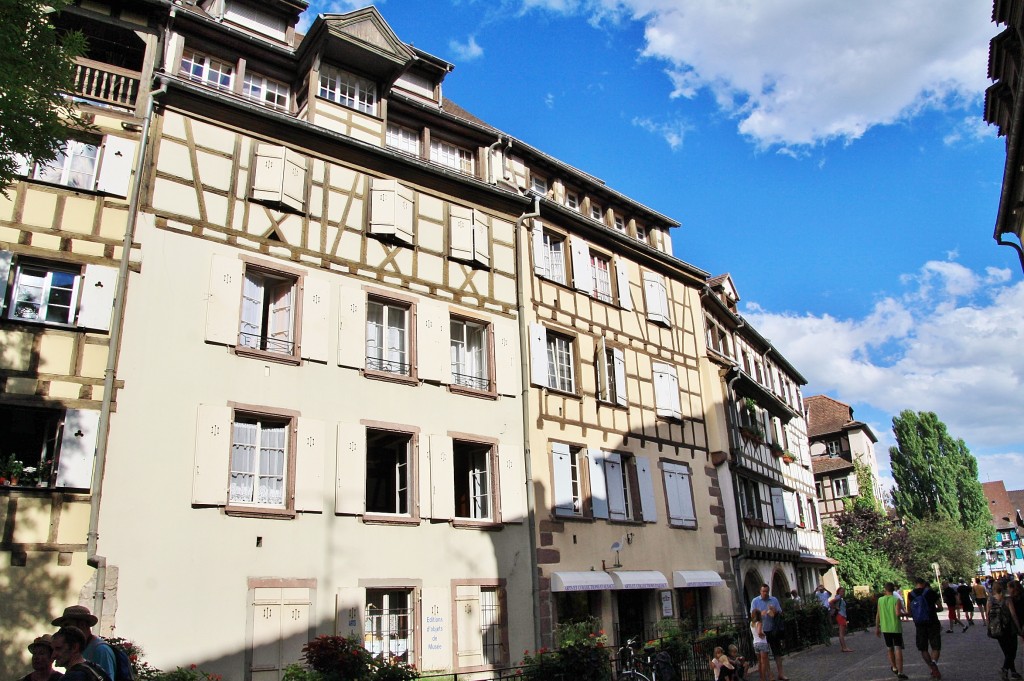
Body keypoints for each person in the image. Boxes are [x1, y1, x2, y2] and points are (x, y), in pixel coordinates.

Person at [50, 606, 115, 681]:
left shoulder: (101, 649)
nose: (62, 631)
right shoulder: (95, 668)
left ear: (82, 624)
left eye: (67, 625)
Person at [750, 584, 789, 681]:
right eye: (763, 591)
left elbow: (780, 612)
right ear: (760, 591)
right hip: (763, 631)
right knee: (765, 656)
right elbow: (752, 615)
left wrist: (774, 611)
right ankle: (770, 675)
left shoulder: (774, 600)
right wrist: (761, 613)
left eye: (767, 591)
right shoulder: (755, 601)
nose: (765, 593)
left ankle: (781, 674)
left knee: (777, 653)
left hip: (773, 629)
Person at [908, 577, 944, 679]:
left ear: (915, 583)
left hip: (919, 624)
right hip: (933, 622)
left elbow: (910, 611)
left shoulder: (911, 594)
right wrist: (932, 610)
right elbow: (940, 607)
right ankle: (934, 663)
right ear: (924, 583)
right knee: (936, 647)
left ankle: (931, 668)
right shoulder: (931, 592)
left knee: (923, 648)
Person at [988, 580, 1022, 680]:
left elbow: (987, 615)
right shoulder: (1007, 599)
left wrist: (989, 627)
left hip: (997, 628)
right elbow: (1013, 615)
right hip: (1009, 628)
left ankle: (1013, 672)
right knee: (1012, 651)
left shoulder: (990, 600)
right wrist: (1018, 628)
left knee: (1007, 652)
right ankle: (1005, 669)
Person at [876, 582, 908, 679]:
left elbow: (878, 614)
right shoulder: (896, 600)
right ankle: (900, 672)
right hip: (895, 627)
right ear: (893, 590)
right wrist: (906, 614)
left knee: (889, 648)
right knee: (898, 648)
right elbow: (898, 613)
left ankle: (894, 667)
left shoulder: (880, 600)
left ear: (885, 590)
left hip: (885, 628)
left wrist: (877, 627)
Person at [830, 586, 853, 652]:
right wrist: (836, 608)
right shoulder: (838, 597)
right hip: (840, 615)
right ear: (839, 592)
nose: (843, 593)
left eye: (844, 591)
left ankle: (844, 647)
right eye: (842, 591)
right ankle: (844, 647)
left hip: (842, 615)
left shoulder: (841, 598)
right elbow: (831, 602)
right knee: (841, 633)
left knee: (842, 632)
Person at [750, 609, 770, 681]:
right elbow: (759, 632)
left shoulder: (751, 623)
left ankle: (761, 677)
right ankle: (763, 678)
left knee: (759, 662)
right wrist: (764, 635)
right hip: (762, 642)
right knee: (763, 662)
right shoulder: (759, 623)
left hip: (755, 643)